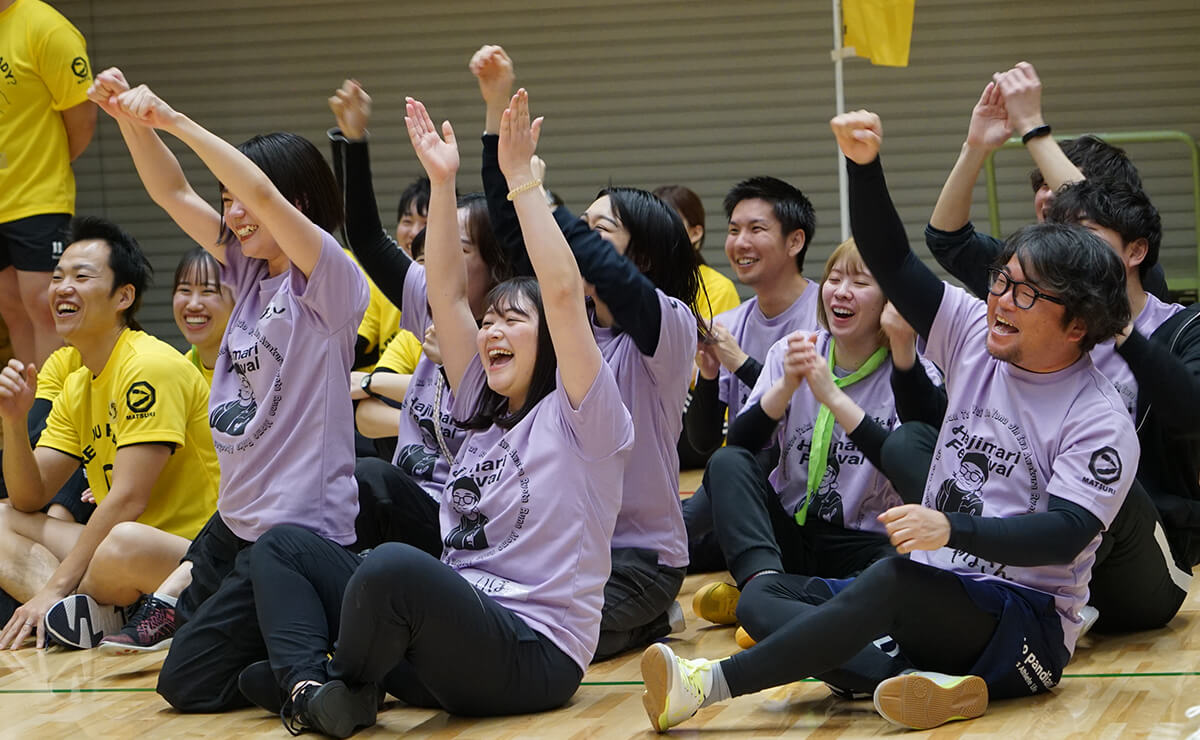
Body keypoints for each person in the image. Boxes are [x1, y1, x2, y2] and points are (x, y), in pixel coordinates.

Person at [640, 110, 1138, 732]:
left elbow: (1064, 534)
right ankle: (920, 686)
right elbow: (894, 259)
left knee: (894, 580)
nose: (1001, 301)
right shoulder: (975, 338)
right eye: (1002, 283)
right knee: (767, 596)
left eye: (1025, 294)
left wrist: (948, 527)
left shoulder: (1099, 415)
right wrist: (862, 165)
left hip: (1026, 628)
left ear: (1078, 322)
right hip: (933, 586)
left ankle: (709, 686)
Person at [238, 92, 633, 738]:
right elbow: (444, 295)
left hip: (533, 655)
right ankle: (315, 685)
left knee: (391, 565)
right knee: (284, 545)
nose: (491, 329)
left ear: (555, 341)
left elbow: (561, 293)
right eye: (491, 319)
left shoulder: (583, 418)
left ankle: (335, 683)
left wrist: (522, 182)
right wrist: (444, 184)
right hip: (451, 641)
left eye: (513, 318)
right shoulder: (477, 401)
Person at [86, 67, 368, 711]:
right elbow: (170, 190)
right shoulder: (246, 268)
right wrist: (132, 120)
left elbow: (264, 197)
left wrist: (177, 119)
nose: (233, 213)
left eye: (240, 198)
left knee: (189, 682)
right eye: (227, 199)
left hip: (297, 536)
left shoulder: (330, 283)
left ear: (295, 204)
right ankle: (300, 652)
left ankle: (329, 644)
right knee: (190, 680)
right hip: (233, 526)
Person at [473, 46, 701, 659]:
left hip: (640, 559)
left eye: (601, 228)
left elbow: (601, 270)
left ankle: (650, 617)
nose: (580, 237)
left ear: (645, 256)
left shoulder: (669, 330)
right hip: (556, 547)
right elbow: (515, 235)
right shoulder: (562, 325)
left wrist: (538, 192)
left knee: (538, 640)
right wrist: (497, 114)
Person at [0, 216, 219, 651]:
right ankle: (88, 618)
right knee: (3, 516)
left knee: (122, 540)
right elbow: (29, 496)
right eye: (58, 276)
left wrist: (52, 587)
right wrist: (14, 421)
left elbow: (128, 499)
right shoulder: (78, 383)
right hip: (116, 554)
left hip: (193, 555)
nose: (63, 287)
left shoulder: (148, 366)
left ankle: (78, 608)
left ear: (124, 296)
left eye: (82, 276)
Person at [694, 239, 938, 627]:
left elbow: (908, 468)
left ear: (892, 302)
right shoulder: (791, 351)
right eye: (834, 278)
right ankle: (766, 587)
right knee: (727, 463)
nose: (841, 291)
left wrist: (831, 395)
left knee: (909, 567)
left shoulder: (913, 374)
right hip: (795, 532)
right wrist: (787, 386)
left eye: (860, 283)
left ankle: (775, 607)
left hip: (866, 543)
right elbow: (740, 445)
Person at [327, 79, 509, 554]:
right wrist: (353, 140)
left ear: (496, 262)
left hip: (468, 520)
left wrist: (453, 367)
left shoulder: (514, 330)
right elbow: (365, 237)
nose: (435, 261)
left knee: (367, 479)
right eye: (429, 249)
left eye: (458, 249)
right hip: (415, 503)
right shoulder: (426, 298)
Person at [925, 61, 1169, 302]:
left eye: (1061, 186)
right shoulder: (1018, 265)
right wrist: (975, 148)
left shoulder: (1134, 270)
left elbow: (1088, 216)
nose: (1051, 196)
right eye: (1044, 186)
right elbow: (948, 241)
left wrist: (1032, 126)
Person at [0, 0, 97, 366]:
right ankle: (25, 422)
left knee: (47, 310)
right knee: (12, 311)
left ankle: (53, 421)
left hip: (38, 197)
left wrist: (42, 166)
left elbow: (82, 119)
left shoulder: (45, 27)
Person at [653, 184, 743, 469]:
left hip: (704, 419)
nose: (659, 235)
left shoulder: (716, 287)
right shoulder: (639, 287)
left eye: (670, 224)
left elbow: (711, 369)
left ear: (695, 233)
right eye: (652, 225)